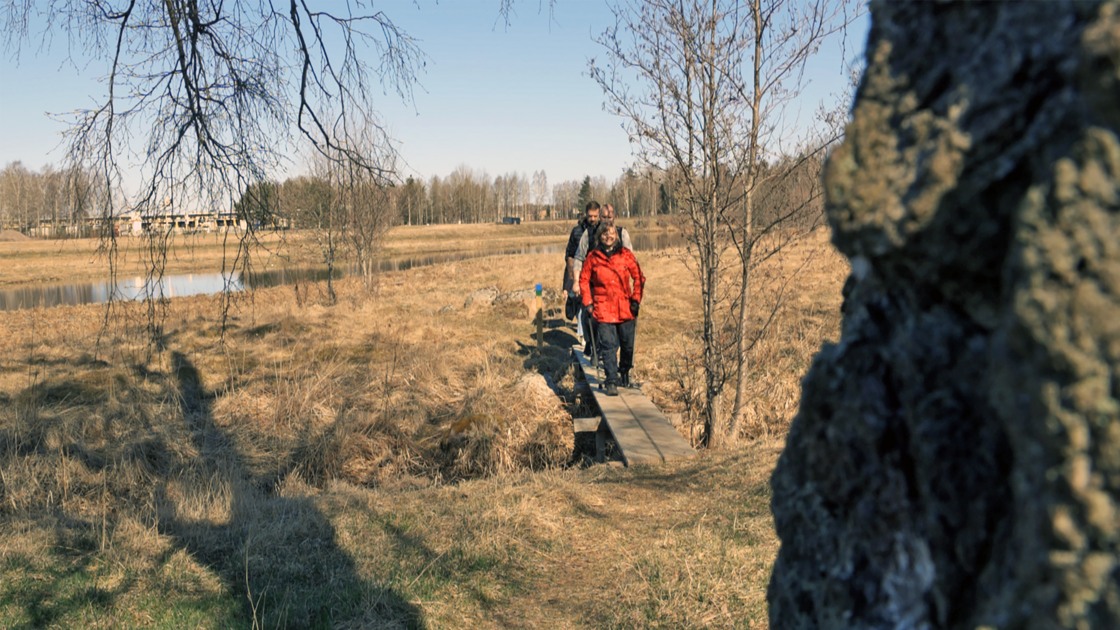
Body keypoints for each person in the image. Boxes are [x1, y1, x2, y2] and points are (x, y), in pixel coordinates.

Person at [579, 223, 645, 396]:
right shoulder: (593, 257)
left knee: (627, 345)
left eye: (612, 233)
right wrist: (588, 302)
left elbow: (639, 277)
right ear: (599, 236)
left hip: (625, 307)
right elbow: (584, 280)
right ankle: (611, 380)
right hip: (603, 308)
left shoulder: (626, 255)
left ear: (616, 236)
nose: (608, 237)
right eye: (604, 234)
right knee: (608, 345)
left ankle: (624, 370)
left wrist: (636, 299)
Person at [565, 201, 601, 356]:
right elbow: (570, 256)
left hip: (598, 277)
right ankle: (585, 340)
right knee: (584, 309)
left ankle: (596, 344)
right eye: (590, 216)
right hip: (582, 276)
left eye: (595, 216)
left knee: (597, 311)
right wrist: (573, 280)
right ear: (586, 214)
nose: (592, 219)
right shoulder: (577, 232)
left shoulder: (602, 230)